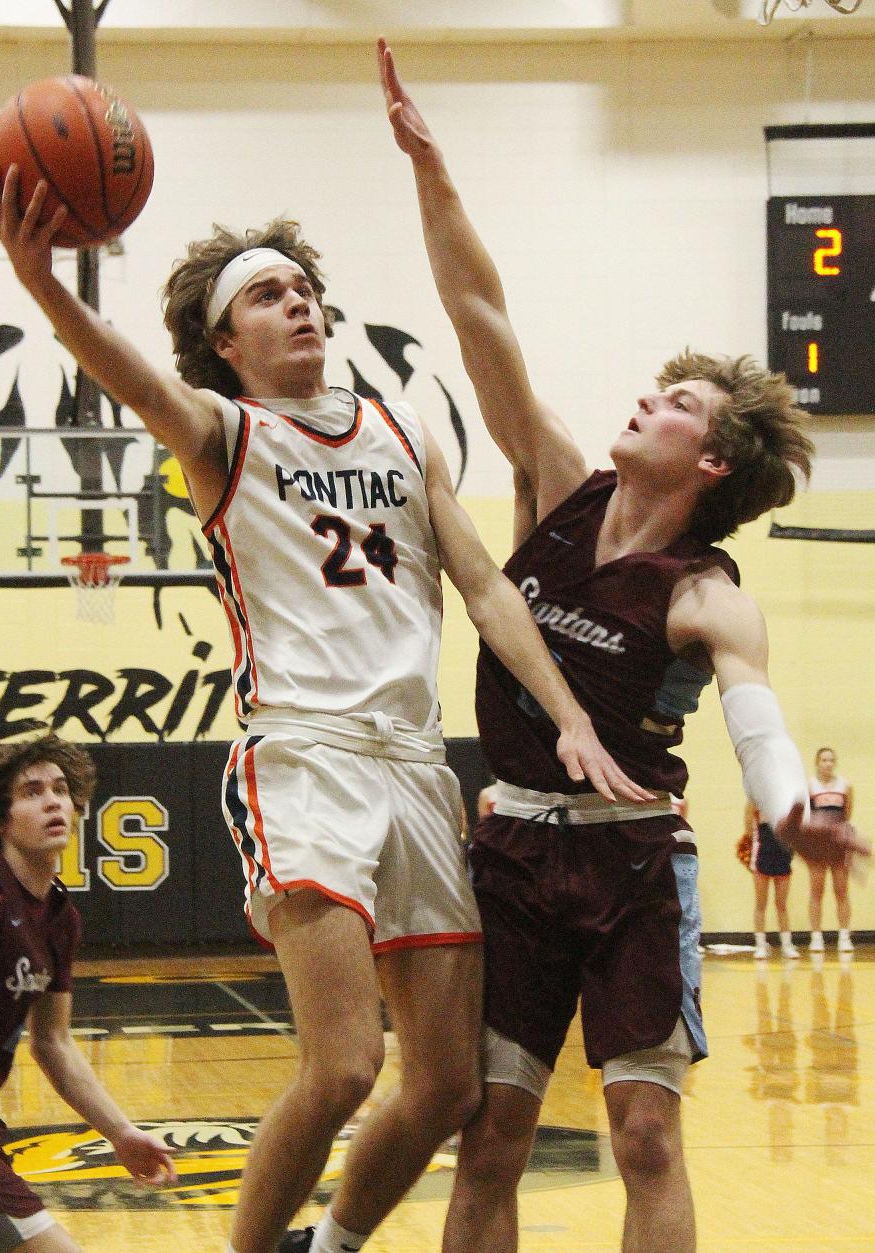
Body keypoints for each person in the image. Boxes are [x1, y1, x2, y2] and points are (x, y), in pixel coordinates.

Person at [0, 164, 650, 1253]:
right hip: (301, 756)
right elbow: (132, 378)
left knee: (443, 1088)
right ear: (227, 344)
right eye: (267, 294)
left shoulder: (397, 429)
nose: (298, 301)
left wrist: (568, 710)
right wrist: (46, 287)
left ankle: (330, 1242)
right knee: (345, 1062)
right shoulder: (223, 433)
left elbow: (483, 582)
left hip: (418, 768)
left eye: (304, 286)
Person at [377, 39, 870, 1253]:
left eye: (680, 400)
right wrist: (433, 173)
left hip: (637, 863)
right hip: (513, 849)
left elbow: (754, 704)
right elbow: (478, 314)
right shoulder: (555, 485)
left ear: (711, 463)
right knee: (491, 1134)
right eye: (656, 385)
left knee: (646, 1135)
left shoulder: (706, 591)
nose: (649, 395)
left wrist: (789, 801)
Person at [0, 734, 176, 1253]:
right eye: (31, 792)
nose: (53, 800)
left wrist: (120, 1133)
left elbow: (53, 1044)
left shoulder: (60, 918)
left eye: (61, 789)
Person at [807, 747, 855, 953]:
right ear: (817, 762)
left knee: (841, 890)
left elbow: (847, 813)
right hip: (818, 844)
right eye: (824, 760)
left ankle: (844, 936)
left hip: (838, 844)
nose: (827, 763)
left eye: (831, 760)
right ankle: (816, 937)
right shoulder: (810, 786)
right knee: (817, 891)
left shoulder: (845, 785)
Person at [744, 800, 799, 959]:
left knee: (782, 904)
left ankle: (787, 945)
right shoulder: (755, 799)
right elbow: (748, 827)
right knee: (761, 903)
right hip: (763, 852)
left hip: (783, 852)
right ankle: (760, 945)